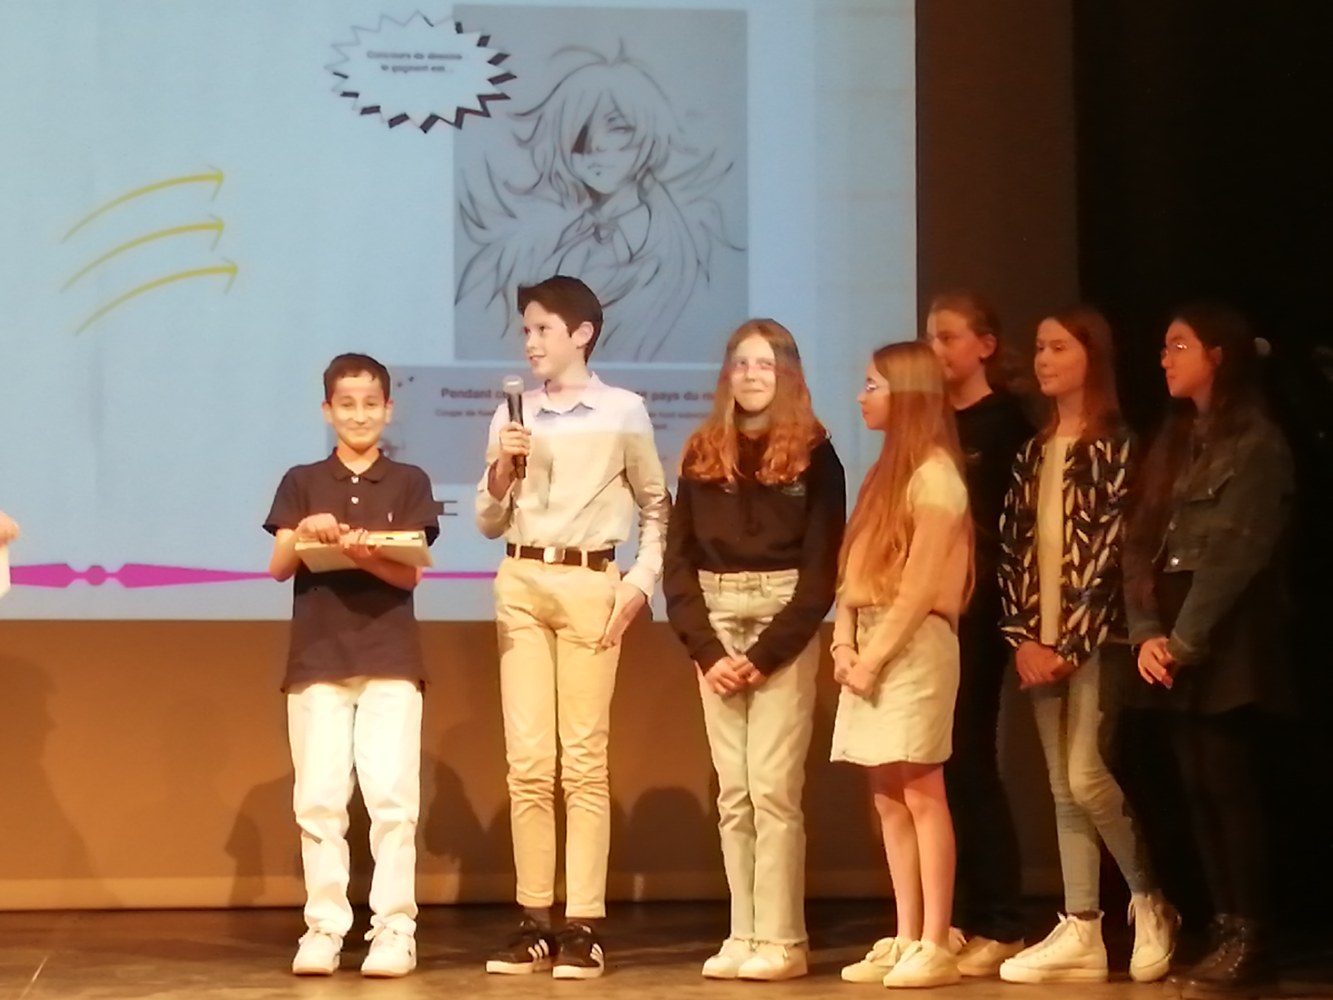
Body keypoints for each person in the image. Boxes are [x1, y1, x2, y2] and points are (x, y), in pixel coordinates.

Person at [475, 274, 670, 979]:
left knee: (582, 761)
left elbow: (656, 503)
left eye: (543, 329)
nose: (530, 342)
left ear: (581, 333)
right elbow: (486, 518)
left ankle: (583, 924)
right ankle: (533, 919)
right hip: (521, 578)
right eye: (525, 330)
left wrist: (640, 582)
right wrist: (502, 468)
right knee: (528, 762)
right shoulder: (512, 414)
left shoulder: (622, 410)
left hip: (591, 581)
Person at [996, 307, 1177, 985]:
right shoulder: (1033, 451)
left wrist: (1070, 644)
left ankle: (1150, 901)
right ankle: (1082, 926)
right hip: (1039, 640)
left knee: (1086, 776)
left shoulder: (1120, 447)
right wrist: (1022, 638)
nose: (1043, 360)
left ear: (1090, 357)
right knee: (1059, 786)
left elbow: (1114, 555)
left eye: (1057, 348)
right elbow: (1013, 549)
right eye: (1039, 348)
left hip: (1101, 640)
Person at [663, 319, 845, 981]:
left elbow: (821, 574)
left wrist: (765, 654)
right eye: (740, 363)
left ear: (787, 373)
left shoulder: (816, 454)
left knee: (771, 788)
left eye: (764, 364)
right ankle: (742, 933)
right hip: (715, 624)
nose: (750, 375)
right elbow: (677, 562)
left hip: (780, 623)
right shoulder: (701, 451)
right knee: (734, 793)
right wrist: (707, 650)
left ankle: (783, 940)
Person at [1124, 304, 1294, 997]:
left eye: (1179, 345)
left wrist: (1185, 640)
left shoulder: (1255, 442)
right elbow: (1139, 542)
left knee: (1228, 785)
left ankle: (1251, 937)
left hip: (1224, 638)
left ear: (1217, 355)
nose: (1165, 358)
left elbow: (1234, 553)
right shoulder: (1173, 439)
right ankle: (1222, 928)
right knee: (1193, 785)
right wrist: (1145, 633)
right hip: (1168, 639)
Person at [264, 353, 441, 978]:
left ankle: (394, 929)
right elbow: (279, 566)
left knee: (392, 800)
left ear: (388, 409)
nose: (359, 415)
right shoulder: (302, 480)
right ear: (327, 410)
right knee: (318, 800)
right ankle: (324, 927)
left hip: (390, 656)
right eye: (346, 404)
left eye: (370, 404)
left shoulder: (409, 480)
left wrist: (363, 554)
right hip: (317, 658)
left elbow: (410, 573)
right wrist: (306, 530)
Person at [832, 342, 972, 989]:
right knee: (887, 797)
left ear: (907, 395)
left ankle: (936, 940)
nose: (861, 397)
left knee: (921, 791)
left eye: (872, 386)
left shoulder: (937, 478)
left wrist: (872, 658)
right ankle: (906, 932)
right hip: (869, 643)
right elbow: (853, 572)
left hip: (912, 648)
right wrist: (843, 644)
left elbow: (917, 590)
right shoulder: (884, 474)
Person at [456, 50, 739, 361]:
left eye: (618, 128)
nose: (597, 146)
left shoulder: (669, 247)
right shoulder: (550, 239)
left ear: (649, 136)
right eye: (581, 133)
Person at [922, 292, 1030, 973]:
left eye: (949, 337)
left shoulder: (1008, 423)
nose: (937, 350)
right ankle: (953, 915)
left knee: (968, 757)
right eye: (930, 338)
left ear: (985, 345)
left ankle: (1001, 918)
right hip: (930, 613)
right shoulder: (932, 420)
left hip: (982, 612)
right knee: (933, 764)